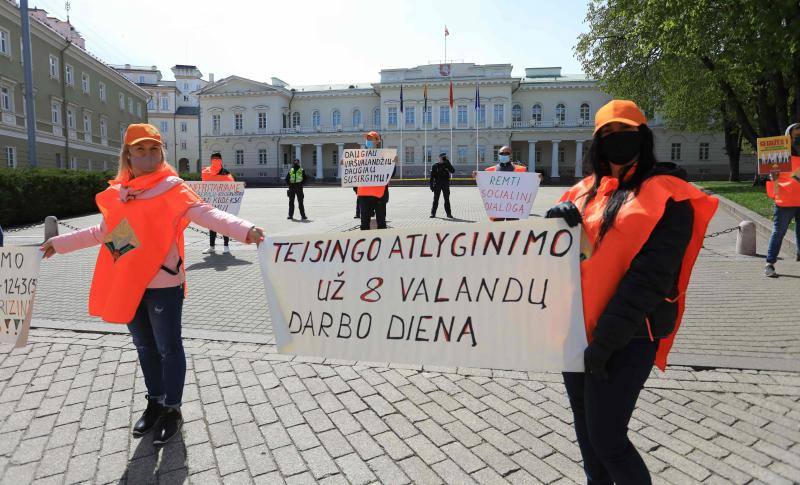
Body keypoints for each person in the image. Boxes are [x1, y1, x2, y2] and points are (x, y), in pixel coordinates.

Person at [40, 124, 265, 446]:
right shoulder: (121, 193)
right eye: (139, 150)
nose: (147, 156)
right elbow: (102, 232)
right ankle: (155, 401)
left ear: (161, 154)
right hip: (128, 280)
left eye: (153, 150)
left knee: (168, 348)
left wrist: (246, 229)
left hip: (163, 283)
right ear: (128, 155)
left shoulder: (173, 189)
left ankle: (172, 409)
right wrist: (59, 244)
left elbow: (207, 214)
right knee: (144, 347)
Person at [545, 100, 717, 484]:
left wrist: (603, 345)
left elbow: (650, 279)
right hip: (575, 334)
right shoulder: (580, 191)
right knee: (589, 437)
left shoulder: (671, 195)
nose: (615, 141)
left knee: (608, 439)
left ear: (643, 137)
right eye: (606, 134)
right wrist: (552, 223)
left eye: (624, 132)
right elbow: (550, 260)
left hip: (628, 337)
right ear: (596, 143)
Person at [764, 122, 800, 277]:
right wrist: (772, 175)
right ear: (789, 134)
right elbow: (773, 174)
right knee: (779, 232)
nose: (798, 136)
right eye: (796, 133)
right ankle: (769, 264)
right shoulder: (780, 152)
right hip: (785, 199)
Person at [473, 145, 528, 221]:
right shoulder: (490, 170)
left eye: (507, 153)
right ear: (499, 155)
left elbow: (528, 185)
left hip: (513, 207)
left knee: (512, 229)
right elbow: (485, 187)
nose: (504, 155)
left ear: (511, 155)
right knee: (497, 230)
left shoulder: (521, 169)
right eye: (502, 153)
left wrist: (538, 178)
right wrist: (477, 176)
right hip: (497, 208)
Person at [200, 152, 234, 254]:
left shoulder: (225, 172)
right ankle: (212, 246)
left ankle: (226, 246)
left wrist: (240, 186)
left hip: (223, 203)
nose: (215, 161)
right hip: (211, 203)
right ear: (211, 160)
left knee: (224, 224)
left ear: (221, 160)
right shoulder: (206, 172)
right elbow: (202, 187)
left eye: (217, 159)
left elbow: (232, 187)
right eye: (214, 159)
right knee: (212, 225)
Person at [358, 131, 391, 230]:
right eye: (367, 139)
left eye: (371, 139)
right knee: (364, 224)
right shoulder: (360, 156)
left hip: (379, 195)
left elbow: (391, 173)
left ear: (377, 141)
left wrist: (393, 164)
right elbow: (354, 173)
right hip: (364, 194)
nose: (368, 141)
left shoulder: (384, 155)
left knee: (381, 223)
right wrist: (346, 163)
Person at [430, 152, 455, 218]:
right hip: (437, 184)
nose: (443, 158)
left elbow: (453, 171)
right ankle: (433, 213)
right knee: (435, 199)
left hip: (445, 185)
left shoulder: (447, 164)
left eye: (444, 157)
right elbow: (432, 177)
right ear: (439, 158)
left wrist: (448, 162)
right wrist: (431, 186)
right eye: (442, 157)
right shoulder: (435, 165)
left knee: (447, 199)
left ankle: (449, 214)